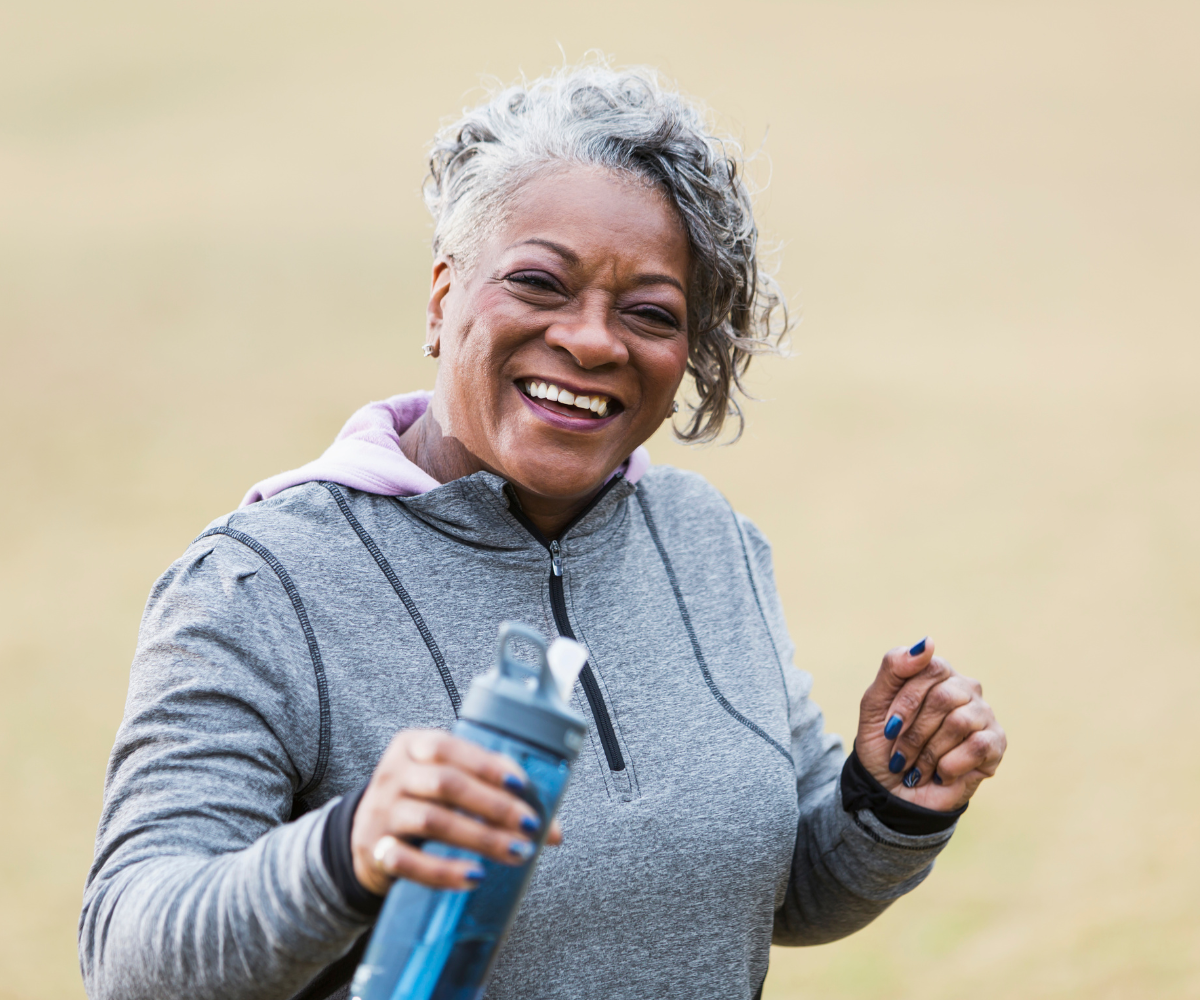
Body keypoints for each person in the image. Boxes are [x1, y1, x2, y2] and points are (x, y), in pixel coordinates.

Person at [79, 62, 1006, 1000]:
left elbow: (774, 894)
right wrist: (344, 849)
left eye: (650, 312)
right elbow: (128, 957)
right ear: (444, 299)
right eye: (539, 283)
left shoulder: (706, 540)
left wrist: (886, 805)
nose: (596, 340)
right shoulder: (259, 585)